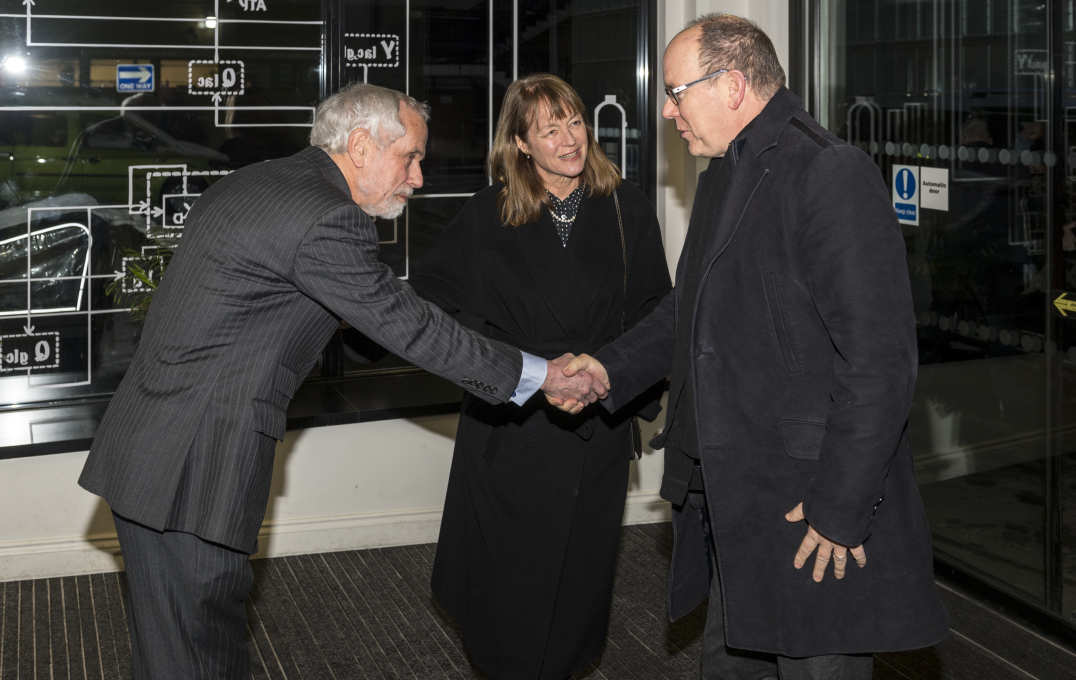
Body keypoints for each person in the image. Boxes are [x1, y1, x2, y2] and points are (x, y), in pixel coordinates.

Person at [78, 83, 601, 679]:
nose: (418, 178)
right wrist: (539, 374)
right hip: (193, 466)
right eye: (410, 157)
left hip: (156, 448)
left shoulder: (264, 181)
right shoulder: (327, 218)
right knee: (197, 653)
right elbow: (409, 326)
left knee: (177, 645)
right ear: (359, 145)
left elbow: (367, 312)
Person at [559, 14, 949, 679]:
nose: (669, 111)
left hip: (809, 516)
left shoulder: (829, 172)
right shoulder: (722, 174)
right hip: (734, 502)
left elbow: (880, 363)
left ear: (733, 84)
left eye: (678, 92)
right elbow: (690, 313)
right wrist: (606, 367)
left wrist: (839, 509)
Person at [410, 73, 671, 680]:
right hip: (514, 427)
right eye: (548, 129)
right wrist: (514, 367)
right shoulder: (487, 212)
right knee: (509, 584)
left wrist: (607, 373)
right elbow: (430, 304)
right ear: (521, 144)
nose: (568, 138)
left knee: (580, 581)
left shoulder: (628, 207)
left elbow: (658, 310)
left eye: (574, 121)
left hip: (595, 425)